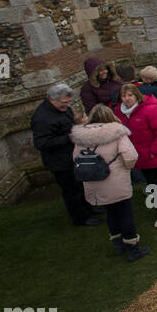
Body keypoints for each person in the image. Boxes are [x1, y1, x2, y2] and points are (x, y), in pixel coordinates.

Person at [70, 104, 149, 261]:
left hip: (94, 181)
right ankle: (132, 249)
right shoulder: (117, 134)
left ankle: (118, 244)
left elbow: (75, 159)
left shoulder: (81, 138)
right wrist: (126, 168)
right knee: (125, 214)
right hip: (115, 180)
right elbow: (131, 156)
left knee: (111, 213)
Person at [114, 82, 157, 228]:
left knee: (153, 183)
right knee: (156, 179)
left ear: (136, 95)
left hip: (152, 154)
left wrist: (153, 151)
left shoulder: (150, 110)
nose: (127, 98)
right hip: (137, 155)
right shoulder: (119, 112)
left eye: (130, 95)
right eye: (123, 96)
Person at [31, 83, 102, 227]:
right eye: (65, 103)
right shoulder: (42, 118)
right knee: (72, 191)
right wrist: (70, 137)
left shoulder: (63, 108)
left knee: (81, 186)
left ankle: (88, 209)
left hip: (71, 156)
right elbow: (42, 144)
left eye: (69, 102)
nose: (68, 105)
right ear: (52, 100)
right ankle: (80, 218)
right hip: (60, 162)